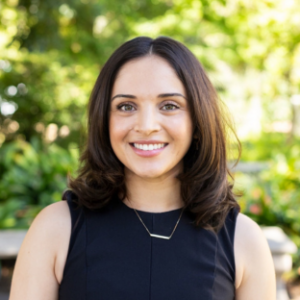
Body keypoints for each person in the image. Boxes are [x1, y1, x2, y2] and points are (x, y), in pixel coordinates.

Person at [9, 36, 276, 300]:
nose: (146, 125)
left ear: (198, 121)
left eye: (169, 106)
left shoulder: (244, 241)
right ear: (104, 120)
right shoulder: (55, 229)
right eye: (126, 106)